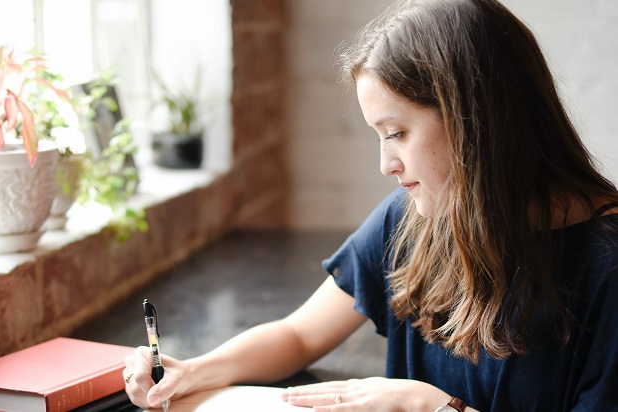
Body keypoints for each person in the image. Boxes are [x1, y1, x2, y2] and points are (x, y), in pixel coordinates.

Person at [124, 0, 618, 410]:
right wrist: (191, 371)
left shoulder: (607, 268)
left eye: (398, 133)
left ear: (477, 121)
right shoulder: (412, 219)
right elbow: (299, 335)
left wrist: (430, 406)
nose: (386, 164)